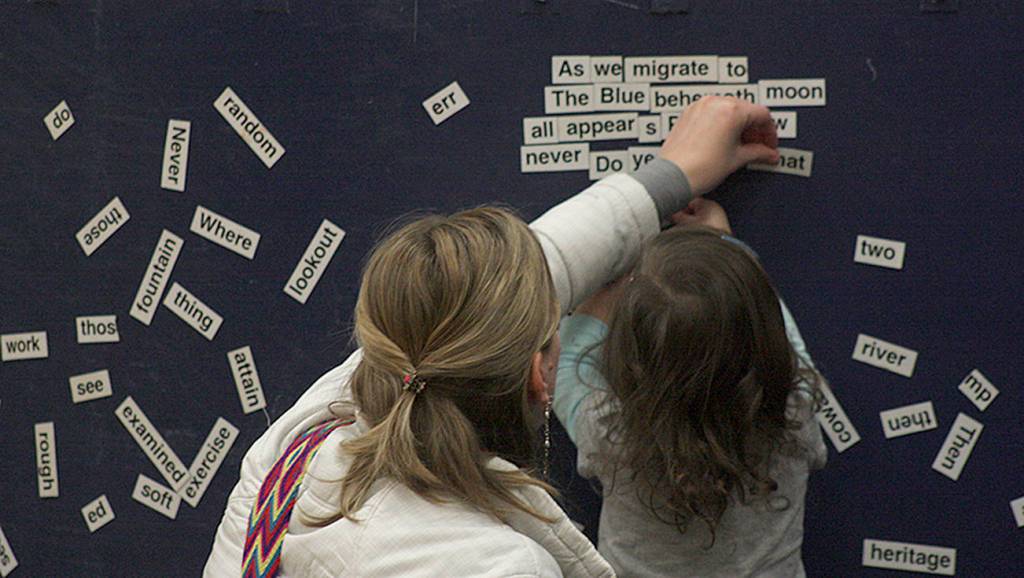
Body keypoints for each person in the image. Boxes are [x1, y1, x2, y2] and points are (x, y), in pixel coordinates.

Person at [203, 96, 781, 578]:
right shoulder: (502, 567)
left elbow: (494, 290)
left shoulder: (296, 448)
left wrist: (671, 175)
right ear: (539, 374)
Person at [554, 199, 828, 577]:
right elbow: (785, 344)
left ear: (624, 349)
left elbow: (565, 368)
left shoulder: (610, 428)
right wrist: (725, 243)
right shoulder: (791, 413)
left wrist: (598, 297)